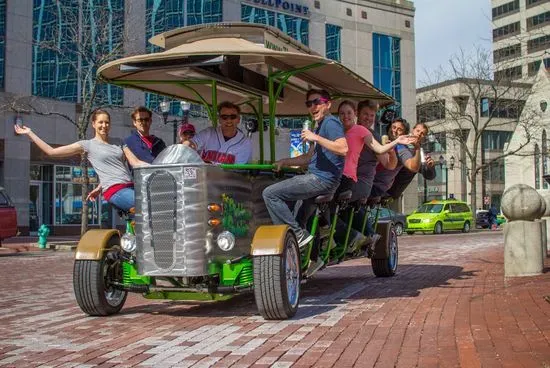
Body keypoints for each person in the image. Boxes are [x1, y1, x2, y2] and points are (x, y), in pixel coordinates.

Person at [262, 89, 348, 267]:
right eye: (309, 104)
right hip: (318, 177)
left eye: (317, 102)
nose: (313, 106)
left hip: (321, 179)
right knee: (297, 213)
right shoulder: (321, 125)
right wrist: (285, 161)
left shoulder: (331, 123)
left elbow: (343, 148)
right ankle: (309, 258)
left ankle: (296, 237)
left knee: (270, 194)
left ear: (328, 104)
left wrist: (314, 137)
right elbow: (308, 158)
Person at [14, 109, 148, 212]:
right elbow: (51, 151)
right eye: (100, 122)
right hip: (115, 191)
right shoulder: (87, 145)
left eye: (107, 122)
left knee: (157, 203)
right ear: (94, 124)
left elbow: (135, 163)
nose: (104, 125)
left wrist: (160, 167)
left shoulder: (119, 142)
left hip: (129, 187)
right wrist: (30, 133)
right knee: (145, 205)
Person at [330, 101, 414, 250]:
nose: (369, 118)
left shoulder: (370, 135)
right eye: (365, 115)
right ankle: (360, 235)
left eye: (372, 116)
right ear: (358, 114)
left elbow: (389, 164)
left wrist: (392, 148)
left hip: (361, 182)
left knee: (332, 200)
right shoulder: (346, 132)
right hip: (345, 180)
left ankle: (351, 236)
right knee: (339, 202)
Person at [186, 101, 252, 164]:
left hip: (229, 175)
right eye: (224, 117)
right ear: (219, 119)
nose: (229, 120)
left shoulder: (245, 142)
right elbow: (192, 143)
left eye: (233, 117)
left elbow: (238, 170)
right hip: (203, 174)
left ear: (238, 119)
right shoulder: (208, 133)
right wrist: (186, 146)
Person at [386, 122, 436, 200]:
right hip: (384, 188)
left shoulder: (420, 152)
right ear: (413, 130)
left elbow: (429, 175)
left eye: (423, 133)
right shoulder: (401, 143)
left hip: (392, 194)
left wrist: (431, 167)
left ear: (424, 137)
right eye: (418, 131)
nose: (419, 134)